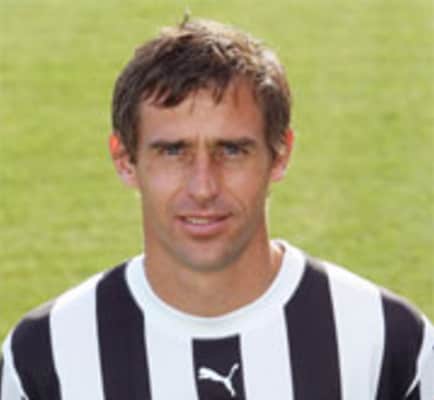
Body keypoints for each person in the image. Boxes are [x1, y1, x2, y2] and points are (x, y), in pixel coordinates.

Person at [1, 17, 433, 400]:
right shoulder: (45, 355)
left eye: (232, 150)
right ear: (125, 159)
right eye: (173, 151)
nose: (203, 187)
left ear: (280, 154)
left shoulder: (387, 342)